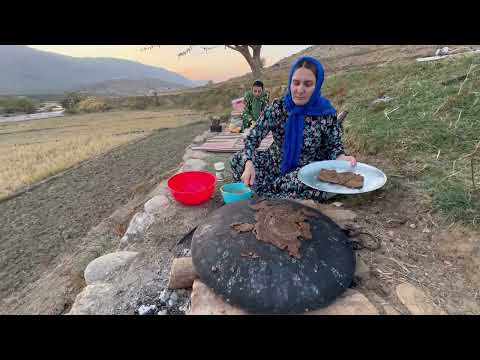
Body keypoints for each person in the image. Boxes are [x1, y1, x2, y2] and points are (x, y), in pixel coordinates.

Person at [230, 56, 357, 201]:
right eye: (295, 83)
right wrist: (249, 163)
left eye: (308, 84)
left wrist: (341, 157)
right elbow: (252, 138)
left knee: (307, 183)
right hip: (274, 163)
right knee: (238, 159)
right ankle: (278, 191)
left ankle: (269, 191)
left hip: (305, 170)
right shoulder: (278, 108)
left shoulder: (325, 113)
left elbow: (333, 146)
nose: (300, 90)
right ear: (290, 82)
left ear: (317, 85)